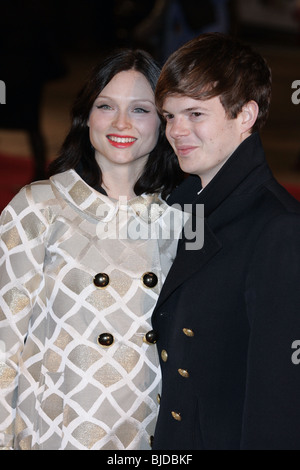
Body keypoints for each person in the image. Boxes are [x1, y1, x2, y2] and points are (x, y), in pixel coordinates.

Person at [0, 48, 185, 450]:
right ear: (87, 116)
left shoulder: (182, 220)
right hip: (55, 431)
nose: (121, 123)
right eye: (106, 106)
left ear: (164, 122)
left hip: (147, 432)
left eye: (140, 109)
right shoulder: (39, 207)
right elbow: (3, 341)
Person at [151, 32, 300, 450]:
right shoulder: (192, 207)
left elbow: (279, 400)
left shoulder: (279, 230)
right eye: (169, 116)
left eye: (195, 114)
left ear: (246, 115)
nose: (177, 131)